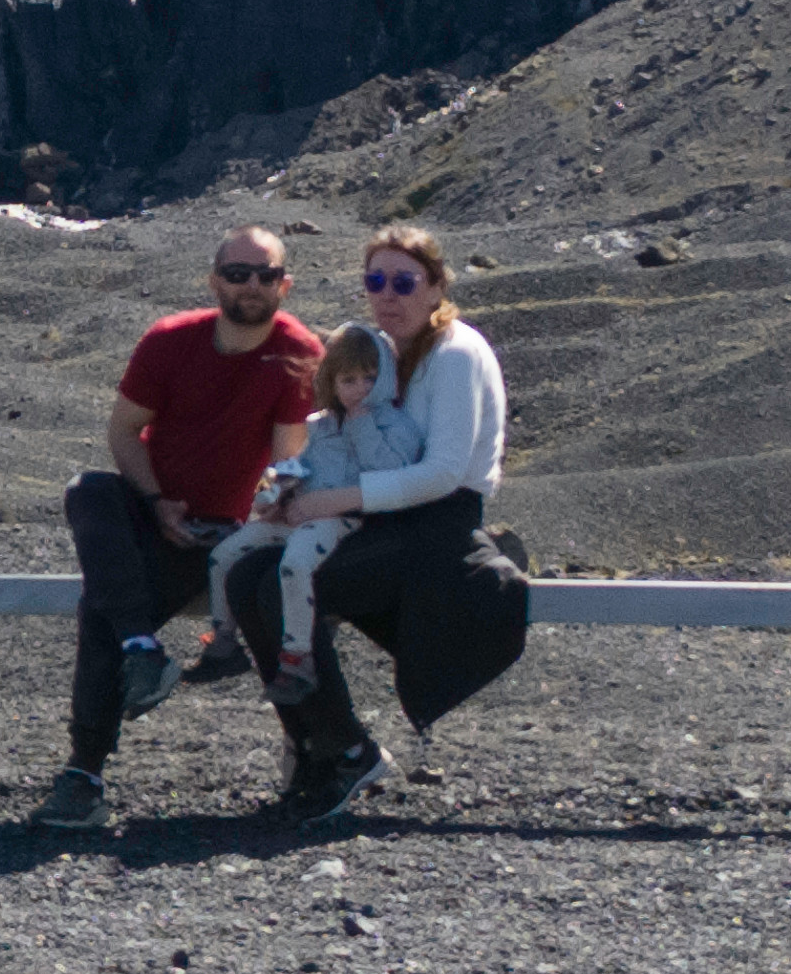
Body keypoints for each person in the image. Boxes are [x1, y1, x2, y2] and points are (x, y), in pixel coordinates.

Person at [227, 220, 519, 835]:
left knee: (278, 585)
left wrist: (330, 502)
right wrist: (292, 495)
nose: (388, 294)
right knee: (247, 575)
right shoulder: (386, 356)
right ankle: (314, 747)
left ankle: (346, 752)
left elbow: (442, 474)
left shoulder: (455, 353)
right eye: (376, 281)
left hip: (437, 524)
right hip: (383, 515)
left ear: (437, 286)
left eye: (404, 281)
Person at [35, 224, 322, 833]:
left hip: (226, 532)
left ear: (285, 284)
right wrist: (159, 501)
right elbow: (123, 433)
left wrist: (246, 529)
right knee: (90, 491)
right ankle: (140, 654)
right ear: (214, 279)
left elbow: (289, 463)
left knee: (102, 607)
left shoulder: (298, 355)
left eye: (265, 274)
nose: (251, 285)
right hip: (151, 510)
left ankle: (87, 769)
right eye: (238, 273)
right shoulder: (169, 341)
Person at [206, 327, 418, 705]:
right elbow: (300, 467)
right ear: (331, 381)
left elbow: (388, 473)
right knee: (225, 553)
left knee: (295, 564)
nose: (360, 388)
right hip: (298, 512)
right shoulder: (319, 426)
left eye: (370, 378)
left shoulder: (394, 425)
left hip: (344, 520)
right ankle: (223, 641)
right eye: (349, 380)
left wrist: (361, 422)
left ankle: (297, 657)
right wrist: (276, 496)